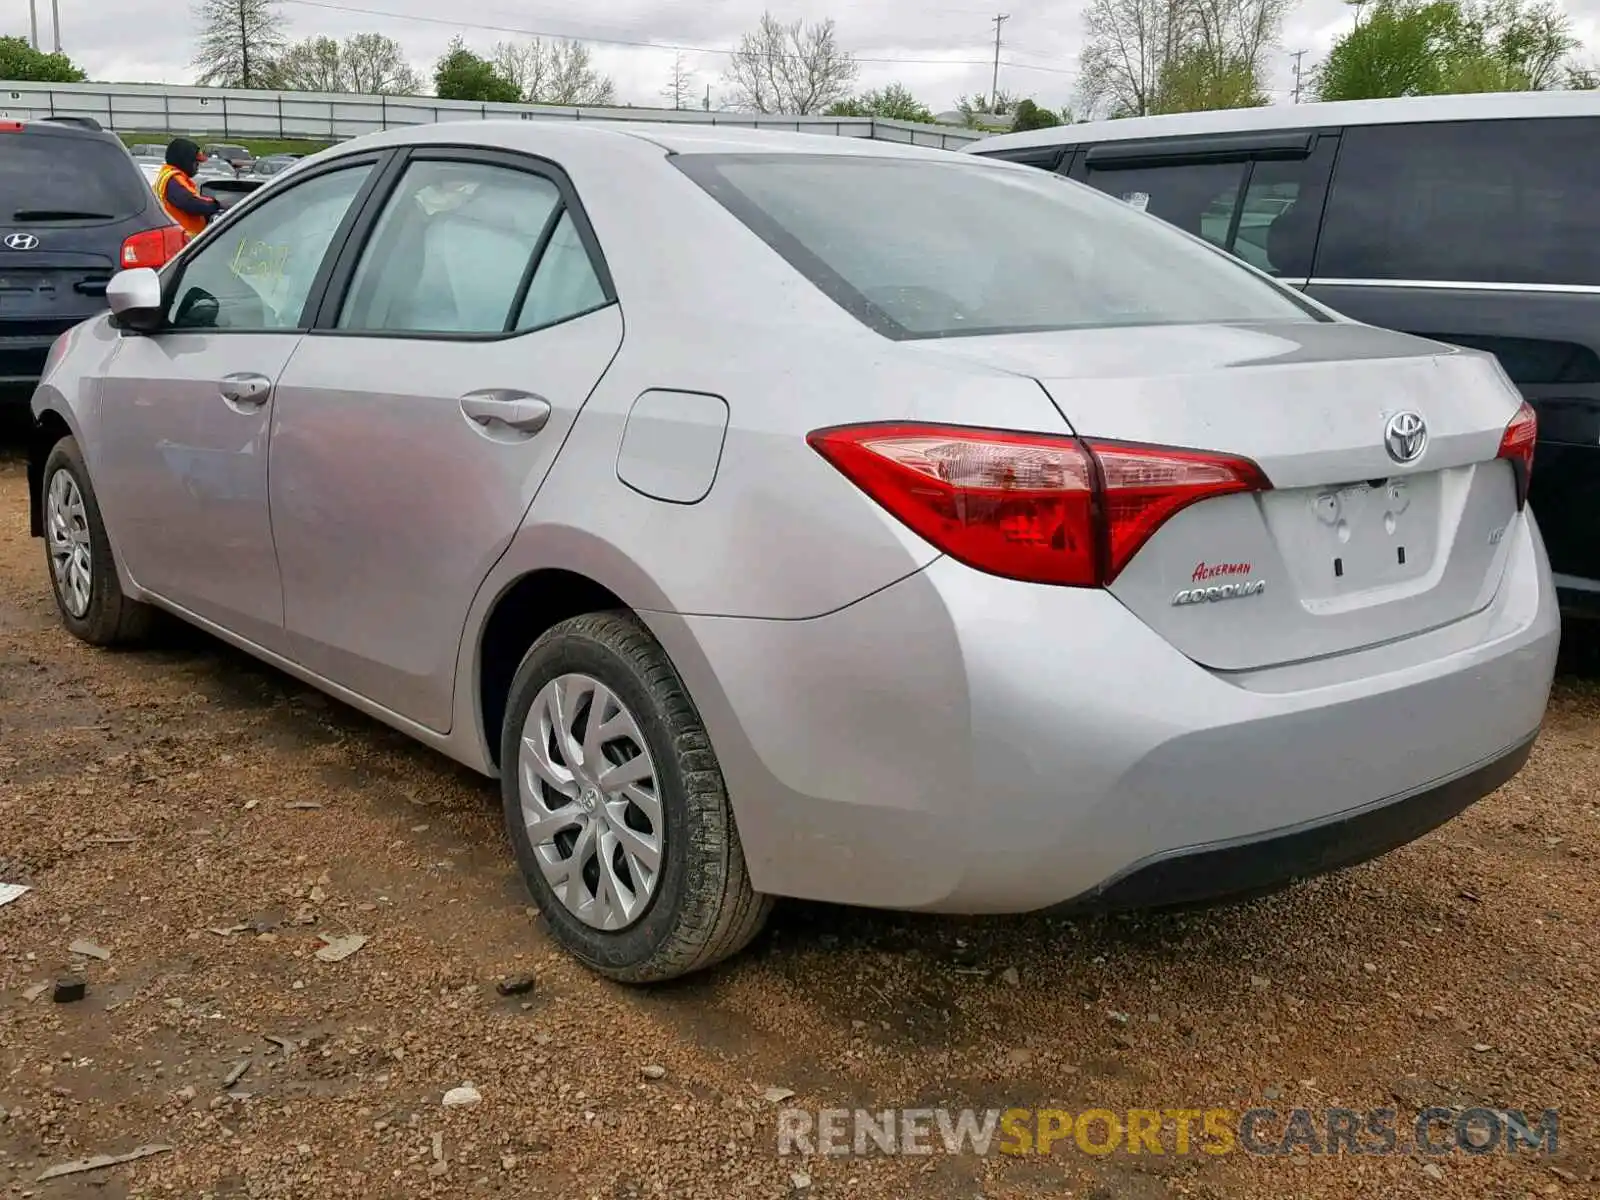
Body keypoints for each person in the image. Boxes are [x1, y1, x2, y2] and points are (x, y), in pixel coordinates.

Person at [155, 138, 222, 240]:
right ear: (185, 161)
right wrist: (216, 204)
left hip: (178, 240)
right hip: (181, 243)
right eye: (195, 161)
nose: (198, 166)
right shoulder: (173, 179)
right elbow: (191, 202)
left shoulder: (169, 176)